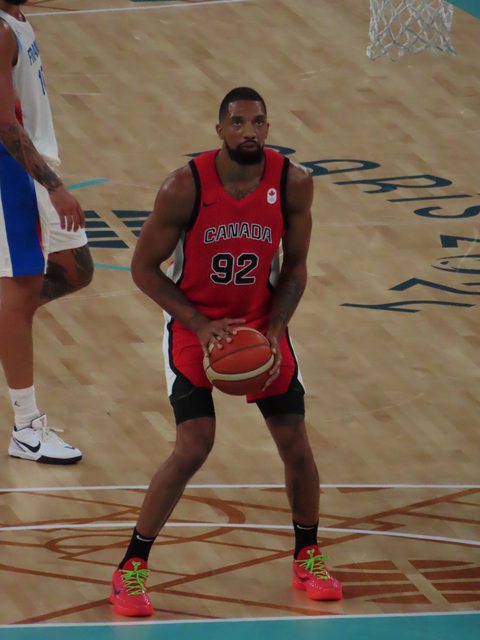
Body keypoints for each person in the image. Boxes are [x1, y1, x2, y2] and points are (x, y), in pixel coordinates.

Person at [110, 87, 342, 617]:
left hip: (260, 322)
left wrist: (276, 330)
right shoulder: (183, 188)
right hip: (195, 324)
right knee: (194, 445)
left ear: (268, 128)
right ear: (219, 130)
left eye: (257, 122)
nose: (248, 131)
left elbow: (296, 267)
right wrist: (199, 323)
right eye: (237, 122)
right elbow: (143, 269)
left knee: (295, 441)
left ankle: (307, 555)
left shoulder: (293, 182)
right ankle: (130, 568)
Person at [0, 0, 93, 464]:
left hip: (30, 169)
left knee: (76, 269)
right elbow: (5, 124)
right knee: (20, 292)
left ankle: (6, 324)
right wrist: (53, 186)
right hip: (12, 175)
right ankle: (27, 428)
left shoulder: (16, 18)